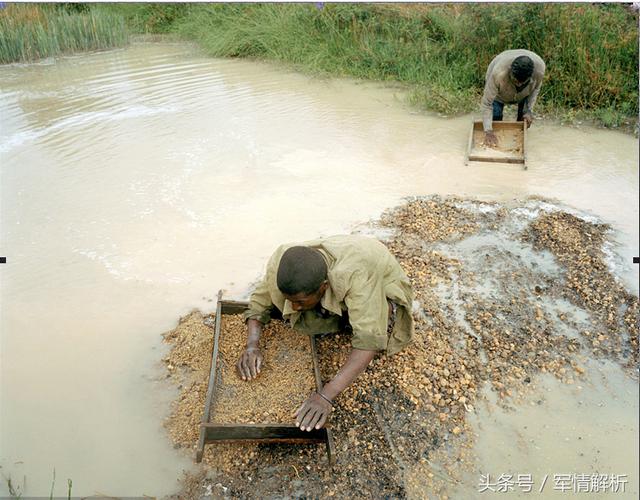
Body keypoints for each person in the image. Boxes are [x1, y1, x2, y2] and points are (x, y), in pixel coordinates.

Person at [236, 234, 414, 432]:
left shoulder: (356, 275)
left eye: (300, 301)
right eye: (291, 300)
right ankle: (329, 309)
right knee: (291, 308)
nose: (294, 306)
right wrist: (252, 345)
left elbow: (369, 341)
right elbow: (260, 302)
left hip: (379, 278)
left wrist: (325, 396)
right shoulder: (281, 262)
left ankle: (364, 311)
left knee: (380, 314)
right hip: (343, 267)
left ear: (324, 287)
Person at [481, 49, 546, 148]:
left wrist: (529, 110)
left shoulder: (539, 71)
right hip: (500, 94)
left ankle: (518, 142)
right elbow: (487, 104)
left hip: (524, 94)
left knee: (523, 121)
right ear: (510, 70)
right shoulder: (498, 73)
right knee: (496, 118)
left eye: (522, 82)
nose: (519, 84)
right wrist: (488, 131)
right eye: (515, 81)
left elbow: (535, 89)